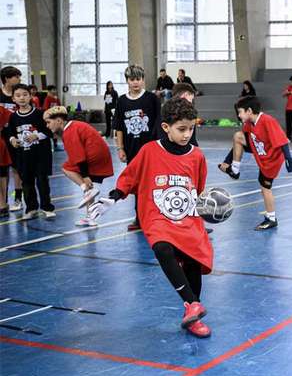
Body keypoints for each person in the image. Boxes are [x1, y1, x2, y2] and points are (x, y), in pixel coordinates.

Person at [88, 97, 214, 338]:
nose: (187, 134)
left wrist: (208, 209)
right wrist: (113, 197)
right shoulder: (149, 151)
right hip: (157, 218)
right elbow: (130, 176)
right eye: (181, 129)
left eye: (191, 128)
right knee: (163, 249)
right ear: (166, 127)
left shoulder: (197, 156)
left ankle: (192, 311)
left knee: (193, 264)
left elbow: (197, 189)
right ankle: (192, 302)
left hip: (187, 217)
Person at [221, 96, 292, 230]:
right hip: (260, 152)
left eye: (240, 112)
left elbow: (283, 141)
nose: (238, 115)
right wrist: (227, 162)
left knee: (265, 189)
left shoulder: (267, 120)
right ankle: (235, 170)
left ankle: (271, 219)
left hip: (271, 160)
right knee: (238, 136)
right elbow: (238, 143)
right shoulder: (249, 124)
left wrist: (289, 160)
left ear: (249, 111)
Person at [44, 106, 114, 226]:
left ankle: (86, 190)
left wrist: (85, 176)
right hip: (100, 154)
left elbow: (79, 157)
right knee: (88, 186)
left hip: (93, 155)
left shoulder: (69, 131)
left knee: (66, 168)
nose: (47, 126)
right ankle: (91, 217)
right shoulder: (74, 125)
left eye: (48, 122)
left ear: (59, 121)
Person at [113, 64, 161, 231]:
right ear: (127, 81)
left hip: (152, 150)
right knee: (136, 185)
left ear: (143, 80)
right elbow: (118, 127)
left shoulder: (152, 99)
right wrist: (120, 148)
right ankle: (140, 217)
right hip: (132, 150)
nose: (135, 82)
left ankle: (156, 217)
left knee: (155, 184)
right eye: (132, 79)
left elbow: (159, 124)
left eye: (138, 79)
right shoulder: (121, 101)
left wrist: (159, 146)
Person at [2, 84, 55, 220]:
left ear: (31, 96)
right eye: (18, 96)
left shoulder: (40, 113)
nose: (22, 98)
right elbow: (10, 133)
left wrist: (36, 135)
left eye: (25, 95)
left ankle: (46, 207)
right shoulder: (13, 117)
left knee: (42, 182)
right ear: (13, 99)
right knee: (26, 183)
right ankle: (31, 208)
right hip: (23, 156)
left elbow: (49, 131)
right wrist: (13, 139)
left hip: (40, 156)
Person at [0, 66, 23, 212]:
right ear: (7, 78)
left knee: (16, 168)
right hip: (1, 138)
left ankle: (18, 199)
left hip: (15, 135)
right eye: (16, 76)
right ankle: (3, 201)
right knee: (3, 171)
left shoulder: (19, 94)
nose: (19, 79)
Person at [0, 105, 12, 217]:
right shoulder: (2, 109)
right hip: (1, 142)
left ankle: (2, 205)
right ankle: (3, 204)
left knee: (2, 173)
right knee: (2, 174)